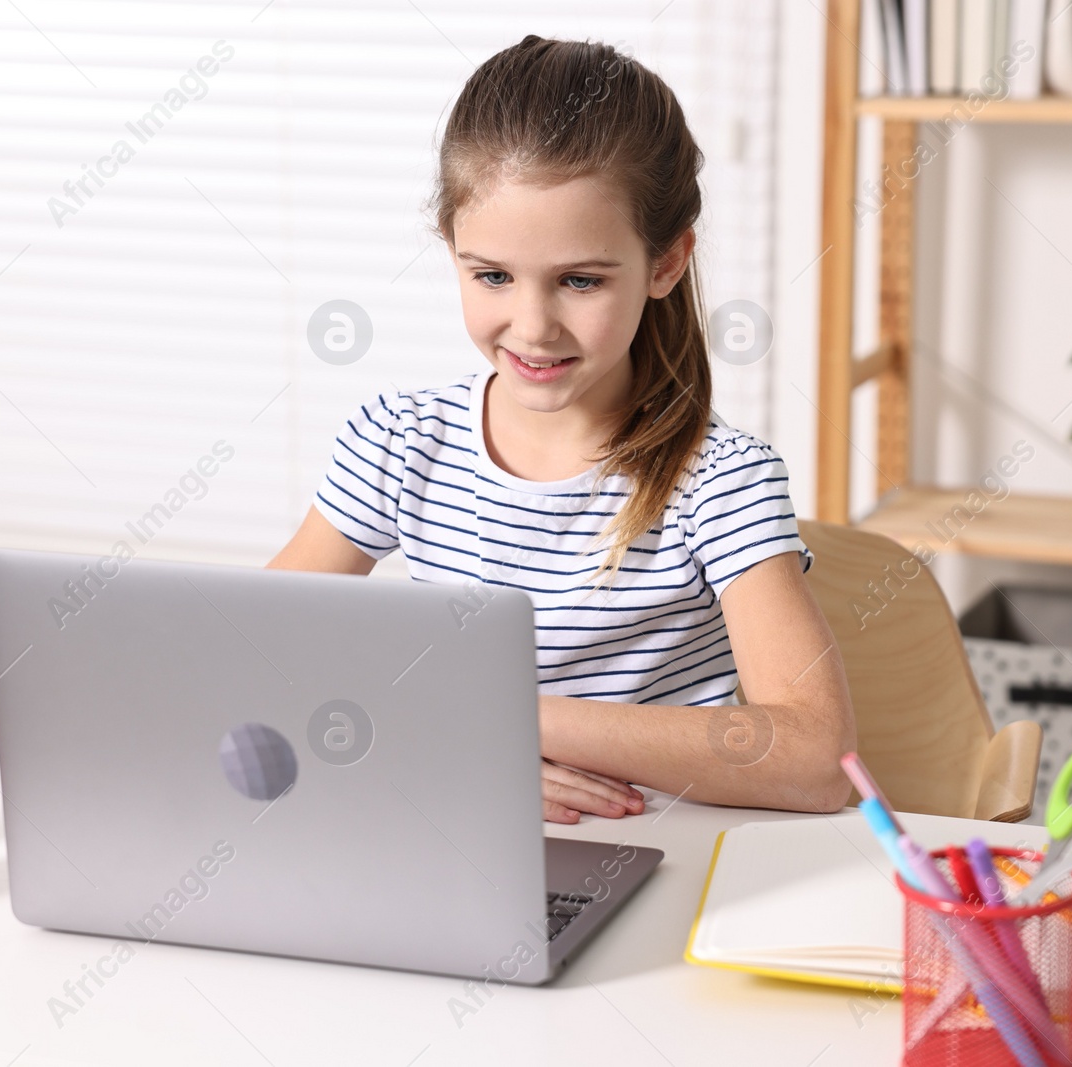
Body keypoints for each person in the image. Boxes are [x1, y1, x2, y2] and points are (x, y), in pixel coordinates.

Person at [269, 35, 854, 823]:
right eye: (493, 276)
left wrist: (503, 725)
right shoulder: (400, 443)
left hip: (655, 853)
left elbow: (816, 759)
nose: (533, 326)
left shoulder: (721, 483)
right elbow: (252, 656)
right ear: (453, 253)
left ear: (665, 263)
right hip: (457, 831)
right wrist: (455, 746)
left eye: (580, 280)